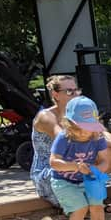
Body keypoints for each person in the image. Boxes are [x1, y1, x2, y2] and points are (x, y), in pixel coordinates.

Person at [48, 96, 111, 220]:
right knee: (80, 207)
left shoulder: (97, 137)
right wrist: (75, 166)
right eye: (82, 127)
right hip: (64, 181)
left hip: (88, 179)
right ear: (70, 124)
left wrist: (94, 170)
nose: (87, 131)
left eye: (90, 126)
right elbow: (54, 162)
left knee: (97, 206)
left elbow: (105, 162)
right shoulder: (64, 138)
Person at [30, 75, 78, 207]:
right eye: (69, 91)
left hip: (72, 163)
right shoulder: (46, 116)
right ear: (56, 95)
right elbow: (62, 138)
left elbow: (101, 134)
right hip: (49, 170)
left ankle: (90, 202)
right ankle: (80, 204)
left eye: (76, 90)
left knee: (107, 151)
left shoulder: (77, 113)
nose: (75, 95)